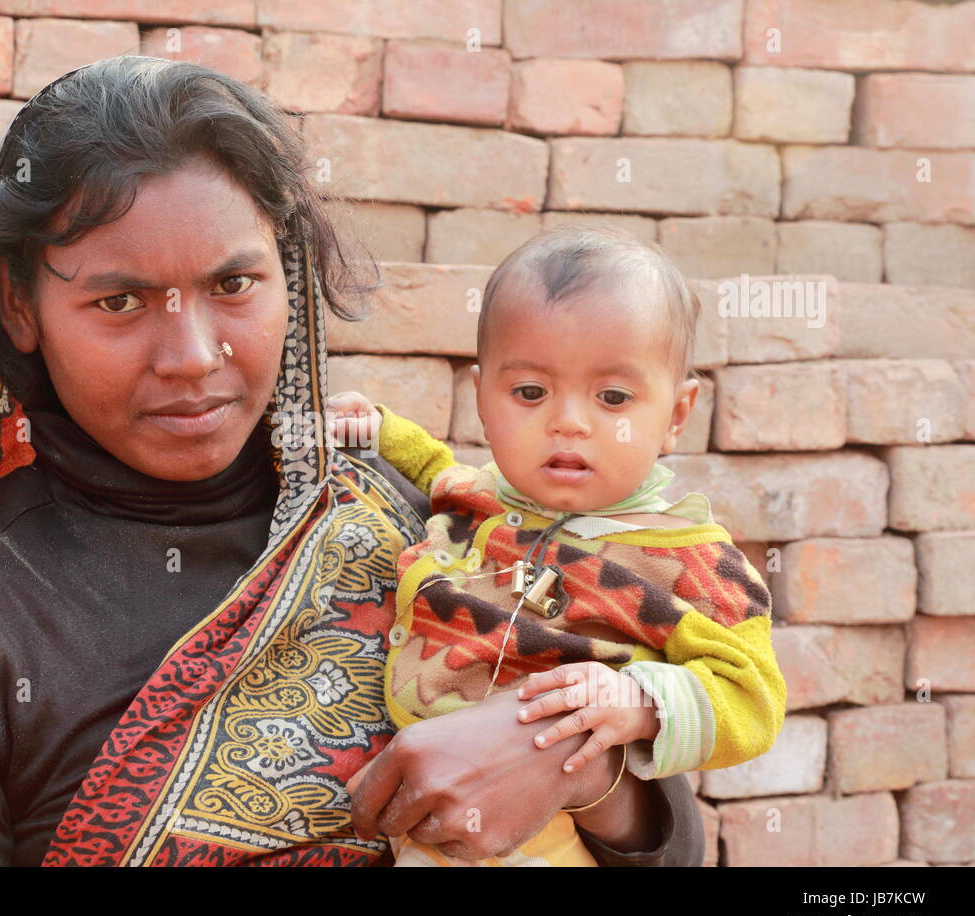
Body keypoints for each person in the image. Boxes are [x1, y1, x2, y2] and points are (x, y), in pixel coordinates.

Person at [0, 57, 705, 867]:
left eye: (233, 285)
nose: (193, 354)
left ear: (288, 276)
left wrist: (570, 773)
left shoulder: (406, 515)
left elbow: (676, 846)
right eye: (120, 302)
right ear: (20, 304)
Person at [330, 225, 786, 867]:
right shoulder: (485, 502)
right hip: (417, 813)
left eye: (613, 397)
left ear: (677, 415)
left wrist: (641, 700)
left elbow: (753, 693)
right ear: (482, 399)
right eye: (529, 393)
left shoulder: (692, 562)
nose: (568, 421)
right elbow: (437, 469)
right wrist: (379, 430)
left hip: (547, 828)